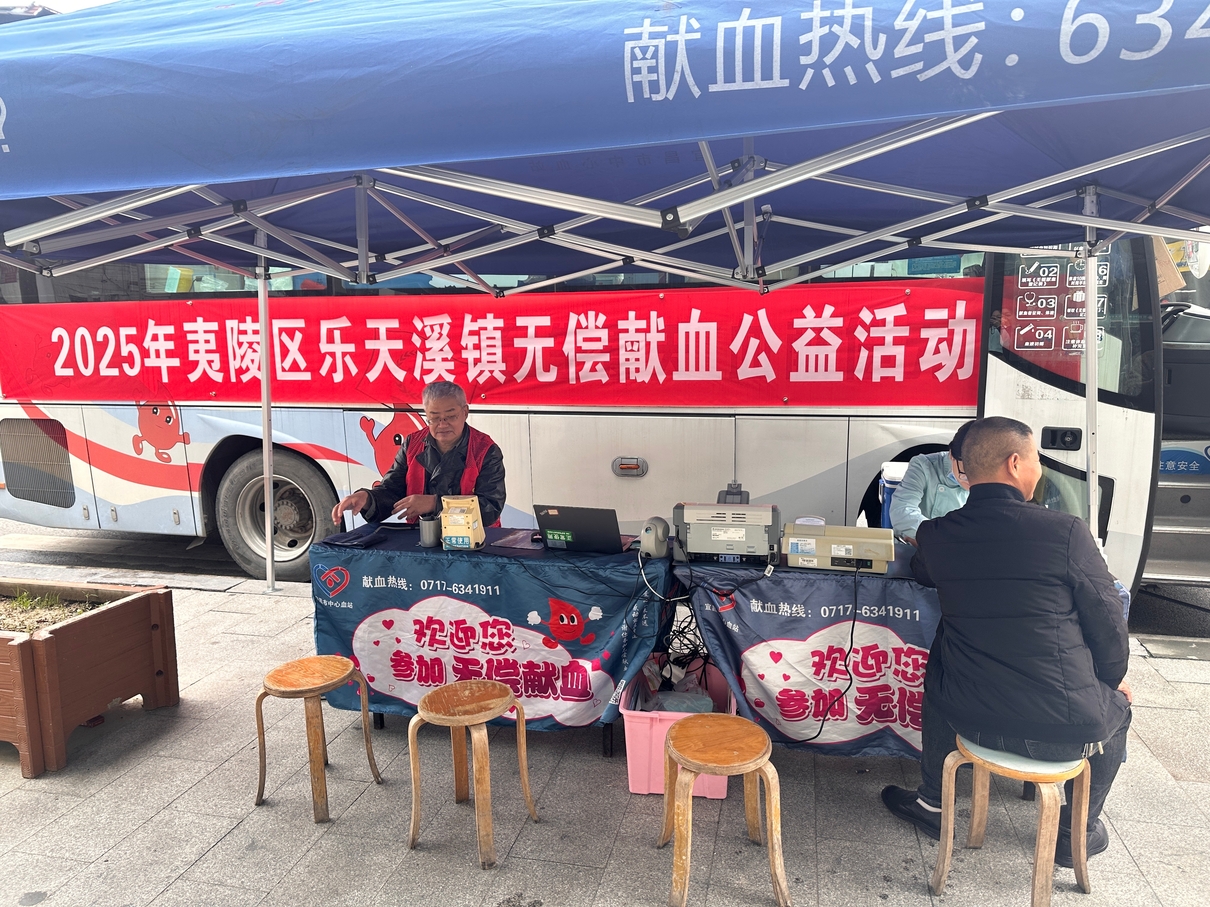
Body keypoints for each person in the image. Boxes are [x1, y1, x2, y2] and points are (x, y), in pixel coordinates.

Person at [881, 416, 1132, 868]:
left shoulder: (937, 536)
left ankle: (932, 803)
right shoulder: (1066, 532)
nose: (1040, 468)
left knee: (941, 666)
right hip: (1062, 735)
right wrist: (1112, 682)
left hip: (967, 723)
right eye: (1036, 459)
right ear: (1015, 464)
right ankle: (1074, 833)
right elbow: (1109, 623)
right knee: (1120, 708)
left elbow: (922, 570)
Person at [331, 380, 506, 527]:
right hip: (422, 538)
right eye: (434, 418)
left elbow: (490, 507)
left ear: (465, 412)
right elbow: (392, 490)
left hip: (475, 541)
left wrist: (434, 503)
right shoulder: (412, 444)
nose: (442, 424)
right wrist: (367, 498)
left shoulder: (485, 450)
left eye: (451, 416)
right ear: (426, 415)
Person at [888, 421, 974, 545]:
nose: (972, 482)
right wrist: (939, 539)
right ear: (951, 455)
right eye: (964, 474)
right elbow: (901, 511)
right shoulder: (924, 465)